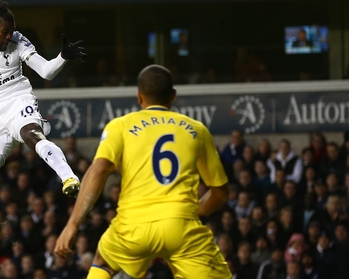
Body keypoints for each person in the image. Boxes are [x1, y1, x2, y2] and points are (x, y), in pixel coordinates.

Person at [54, 65, 232, 278]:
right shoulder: (197, 129)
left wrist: (73, 224)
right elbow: (220, 192)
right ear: (173, 96)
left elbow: (99, 169)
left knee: (103, 262)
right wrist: (197, 209)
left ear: (139, 97)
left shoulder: (120, 125)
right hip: (180, 225)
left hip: (133, 227)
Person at [0, 0, 85, 275]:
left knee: (31, 134)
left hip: (18, 101)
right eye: (5, 31)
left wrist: (63, 57)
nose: (9, 35)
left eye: (12, 31)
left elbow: (45, 70)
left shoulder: (17, 40)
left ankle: (68, 176)